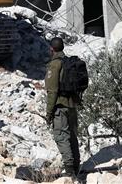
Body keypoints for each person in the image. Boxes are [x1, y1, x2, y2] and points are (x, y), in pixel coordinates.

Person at [45, 37, 80, 177]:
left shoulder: (55, 65)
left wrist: (49, 112)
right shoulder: (69, 62)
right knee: (72, 136)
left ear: (51, 49)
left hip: (60, 107)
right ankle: (76, 168)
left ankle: (69, 171)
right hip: (72, 106)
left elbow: (52, 91)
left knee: (61, 136)